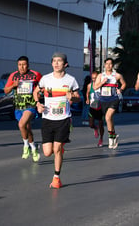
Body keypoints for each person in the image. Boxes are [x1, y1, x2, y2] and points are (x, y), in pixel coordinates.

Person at [33, 52, 80, 189]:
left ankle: (56, 178)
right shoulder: (45, 79)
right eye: (54, 61)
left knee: (57, 149)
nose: (56, 63)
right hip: (48, 118)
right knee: (48, 152)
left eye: (59, 61)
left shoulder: (71, 80)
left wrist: (72, 97)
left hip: (63, 118)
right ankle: (59, 148)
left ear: (65, 64)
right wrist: (38, 103)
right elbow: (36, 91)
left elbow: (78, 97)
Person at [4, 56, 42, 162]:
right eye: (19, 65)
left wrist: (39, 95)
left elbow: (43, 87)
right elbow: (6, 91)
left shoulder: (35, 75)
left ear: (28, 65)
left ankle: (25, 146)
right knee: (27, 128)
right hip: (18, 107)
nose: (22, 67)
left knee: (21, 124)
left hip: (31, 105)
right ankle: (33, 148)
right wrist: (12, 86)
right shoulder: (13, 76)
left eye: (24, 64)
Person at [93, 58, 126, 149]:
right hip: (103, 100)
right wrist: (102, 82)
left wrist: (121, 89)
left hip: (114, 99)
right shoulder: (100, 76)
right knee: (109, 120)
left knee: (108, 117)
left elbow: (124, 84)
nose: (108, 65)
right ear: (104, 65)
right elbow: (95, 87)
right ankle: (113, 135)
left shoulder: (117, 75)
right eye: (107, 64)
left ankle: (111, 139)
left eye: (110, 64)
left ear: (113, 65)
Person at [86, 71, 104, 147]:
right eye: (92, 78)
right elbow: (87, 93)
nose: (94, 79)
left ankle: (101, 139)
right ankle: (95, 128)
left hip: (101, 107)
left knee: (101, 125)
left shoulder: (102, 85)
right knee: (91, 124)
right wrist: (87, 99)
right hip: (92, 107)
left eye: (95, 78)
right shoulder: (90, 85)